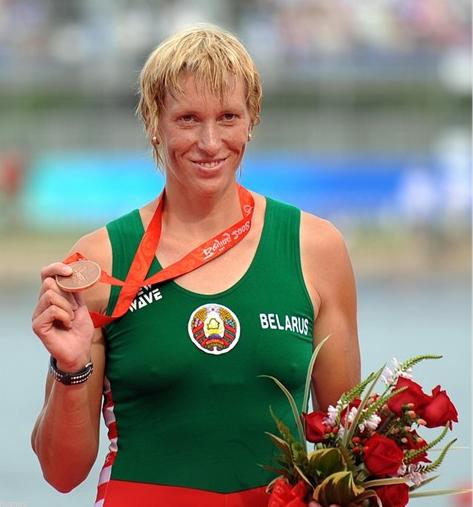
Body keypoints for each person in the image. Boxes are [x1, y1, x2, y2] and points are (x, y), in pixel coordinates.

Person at [31, 25, 360, 507]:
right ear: (154, 122)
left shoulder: (316, 249)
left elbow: (347, 451)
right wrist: (71, 368)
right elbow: (61, 473)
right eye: (187, 119)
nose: (210, 141)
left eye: (228, 117)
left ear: (251, 120)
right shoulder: (101, 261)